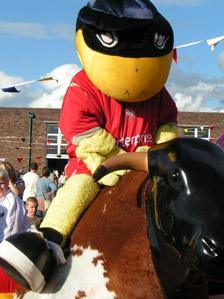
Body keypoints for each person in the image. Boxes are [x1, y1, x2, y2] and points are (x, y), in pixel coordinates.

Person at [0, 0, 178, 292]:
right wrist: (119, 159)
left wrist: (164, 153)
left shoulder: (158, 94)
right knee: (75, 193)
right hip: (93, 167)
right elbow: (80, 128)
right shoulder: (84, 86)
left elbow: (168, 126)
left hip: (149, 167)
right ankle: (45, 246)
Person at [0, 168, 29, 242]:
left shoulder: (13, 202)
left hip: (11, 245)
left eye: (1, 183)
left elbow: (11, 231)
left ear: (7, 183)